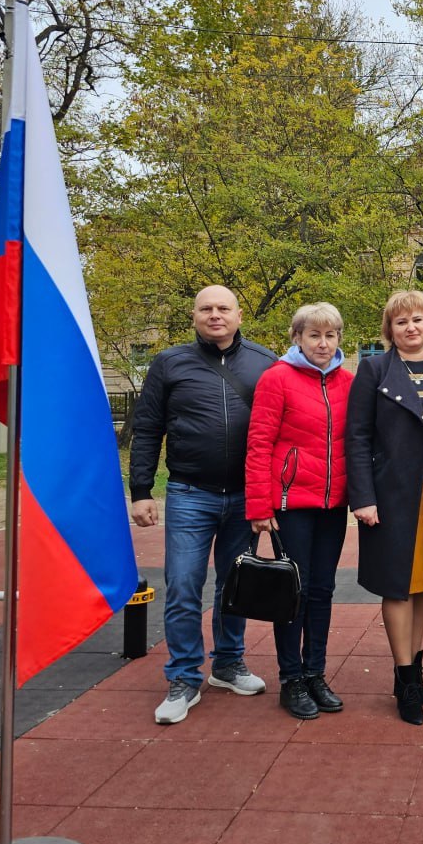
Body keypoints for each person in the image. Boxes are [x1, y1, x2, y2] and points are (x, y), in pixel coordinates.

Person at [129, 285, 277, 725]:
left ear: (239, 314)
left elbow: (279, 431)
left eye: (223, 308)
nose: (216, 315)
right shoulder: (169, 363)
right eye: (207, 308)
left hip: (246, 497)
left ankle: (228, 664)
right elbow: (148, 428)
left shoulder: (265, 363)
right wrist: (140, 491)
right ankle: (184, 676)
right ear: (194, 315)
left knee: (236, 587)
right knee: (183, 585)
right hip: (190, 493)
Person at [346, 290, 423, 725]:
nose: (410, 327)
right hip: (392, 496)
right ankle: (403, 679)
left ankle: (413, 670)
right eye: (401, 322)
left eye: (418, 319)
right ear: (389, 330)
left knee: (422, 584)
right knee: (397, 585)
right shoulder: (374, 370)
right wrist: (363, 497)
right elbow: (356, 437)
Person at [246, 302, 353, 721]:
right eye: (314, 335)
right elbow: (258, 444)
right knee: (295, 591)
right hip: (292, 505)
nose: (323, 343)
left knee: (323, 590)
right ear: (297, 338)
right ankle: (291, 678)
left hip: (332, 505)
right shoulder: (277, 379)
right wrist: (259, 505)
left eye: (330, 335)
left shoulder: (347, 382)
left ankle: (315, 673)